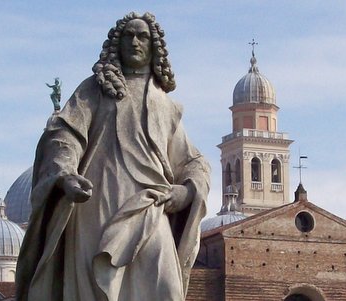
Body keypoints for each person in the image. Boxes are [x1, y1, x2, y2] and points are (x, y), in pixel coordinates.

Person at [16, 12, 210, 301]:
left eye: (142, 36)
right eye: (128, 35)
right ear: (116, 44)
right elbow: (63, 134)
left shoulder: (166, 105)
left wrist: (187, 190)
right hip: (95, 201)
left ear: (154, 46)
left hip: (149, 205)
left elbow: (192, 160)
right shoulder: (93, 90)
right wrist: (66, 174)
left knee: (166, 287)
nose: (134, 41)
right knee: (96, 286)